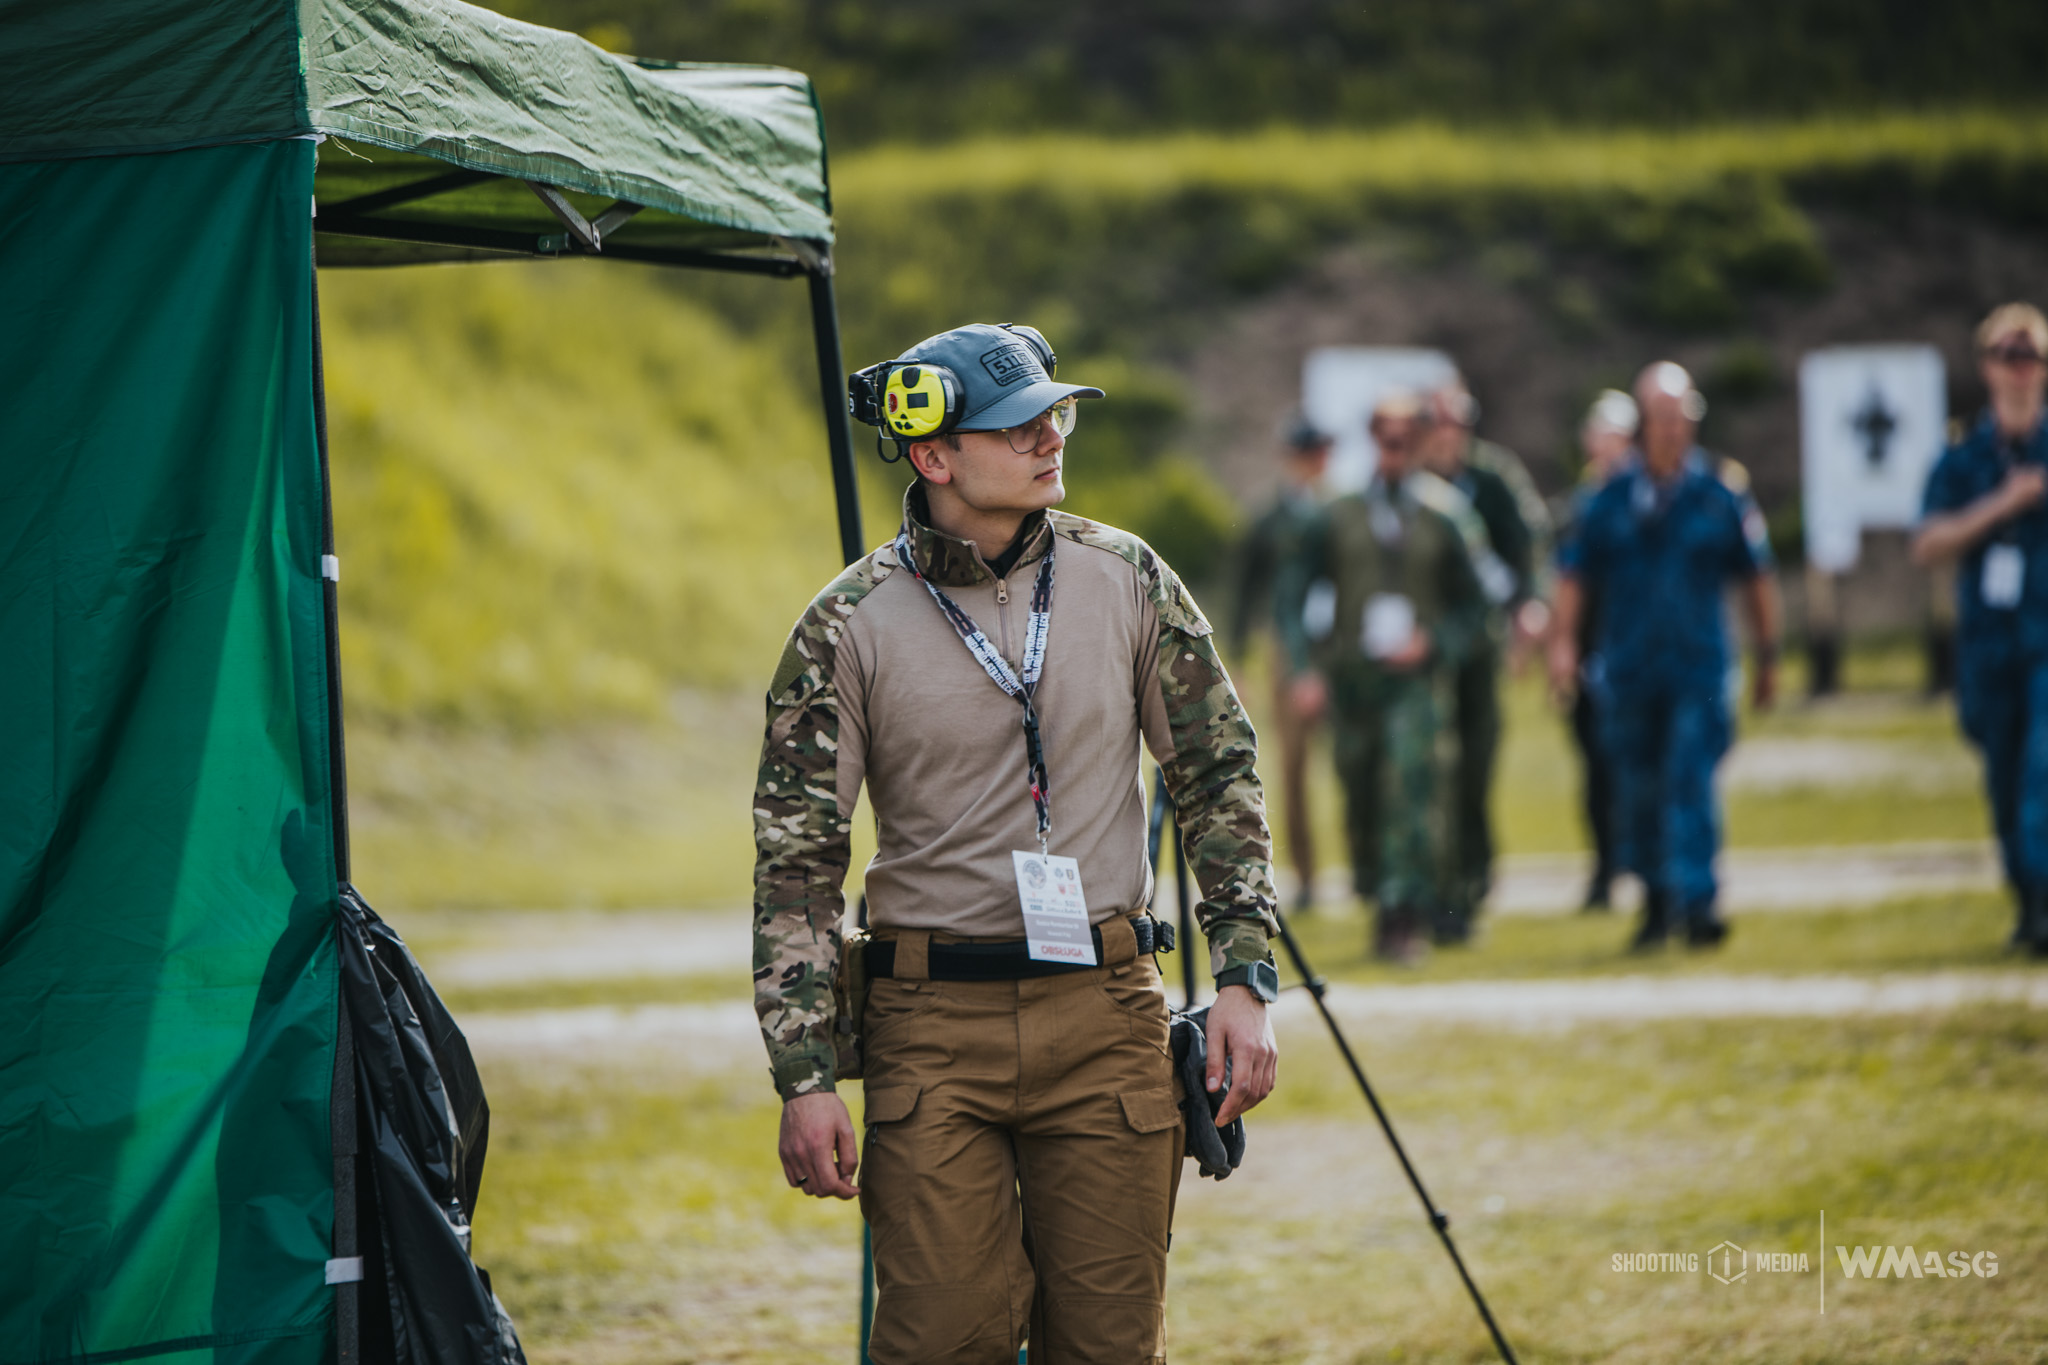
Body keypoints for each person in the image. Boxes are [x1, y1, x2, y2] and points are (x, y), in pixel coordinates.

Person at [753, 322, 1282, 1362]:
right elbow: (797, 864)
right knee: (943, 1338)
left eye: (1056, 411)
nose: (1050, 435)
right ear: (933, 454)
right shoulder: (844, 624)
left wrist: (1244, 978)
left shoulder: (1128, 578)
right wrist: (804, 1075)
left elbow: (1217, 775)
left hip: (1106, 1017)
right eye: (1016, 423)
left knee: (1107, 1345)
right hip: (927, 1031)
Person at [1546, 362, 1781, 950]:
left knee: (1691, 778)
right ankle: (1655, 901)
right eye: (1661, 418)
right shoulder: (1610, 497)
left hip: (1698, 666)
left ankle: (1698, 902)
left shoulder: (1720, 492)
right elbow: (1574, 575)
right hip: (1630, 668)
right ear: (1641, 424)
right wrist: (1563, 645)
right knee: (1639, 786)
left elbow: (1756, 577)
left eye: (1683, 417)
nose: (1673, 429)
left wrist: (1769, 655)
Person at [1279, 392, 1491, 960]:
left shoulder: (1446, 513)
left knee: (1409, 784)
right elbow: (1294, 593)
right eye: (1384, 437)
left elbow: (1479, 602)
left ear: (1420, 443)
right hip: (1353, 679)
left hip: (1415, 682)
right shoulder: (1338, 512)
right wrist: (1304, 669)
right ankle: (1378, 890)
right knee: (1360, 787)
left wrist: (1436, 641)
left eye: (1405, 439)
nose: (1394, 449)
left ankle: (1405, 912)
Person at [1912, 302, 2048, 955]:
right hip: (1990, 647)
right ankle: (2028, 903)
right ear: (1988, 368)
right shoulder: (1965, 458)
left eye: (2031, 356)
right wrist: (2005, 504)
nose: (2020, 369)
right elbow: (1929, 542)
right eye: (2008, 356)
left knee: (2044, 773)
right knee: (2004, 776)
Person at [1418, 382, 1552, 930]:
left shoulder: (1493, 479)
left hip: (1479, 643)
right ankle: (1432, 887)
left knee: (1476, 761)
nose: (1450, 435)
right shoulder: (1415, 484)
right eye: (1440, 423)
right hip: (1427, 645)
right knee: (1430, 769)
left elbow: (1528, 545)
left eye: (1459, 423)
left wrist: (1530, 603)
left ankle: (1472, 875)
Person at [1231, 414, 1334, 914]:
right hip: (1288, 649)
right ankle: (1308, 875)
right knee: (1292, 767)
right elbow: (1244, 591)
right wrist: (1239, 660)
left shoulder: (1344, 511)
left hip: (1342, 646)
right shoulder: (1270, 519)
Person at [1551, 389, 1640, 910]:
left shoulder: (1646, 499)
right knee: (1596, 765)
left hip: (1637, 650)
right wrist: (1562, 646)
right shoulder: (1580, 508)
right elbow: (1565, 582)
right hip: (1591, 653)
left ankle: (1641, 863)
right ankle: (1606, 866)